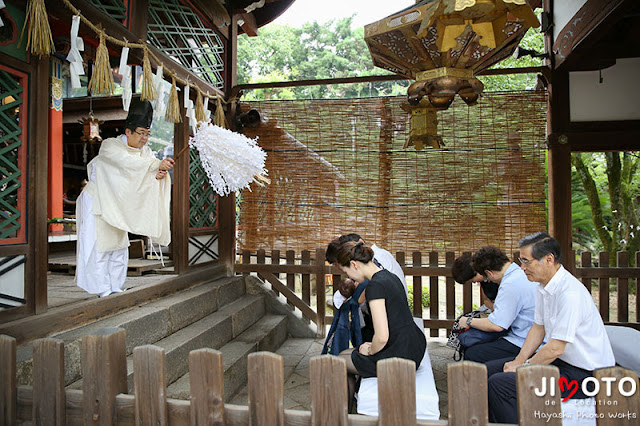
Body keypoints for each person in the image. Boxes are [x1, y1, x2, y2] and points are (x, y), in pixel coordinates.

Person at [486, 232, 615, 423]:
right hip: (562, 363)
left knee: (500, 385)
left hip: (586, 376)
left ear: (548, 259)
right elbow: (538, 328)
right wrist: (519, 360)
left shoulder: (570, 293)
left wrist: (524, 368)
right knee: (487, 370)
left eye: (526, 261)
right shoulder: (542, 287)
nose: (522, 267)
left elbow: (556, 347)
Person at [75, 100, 174, 298]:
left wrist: (158, 175)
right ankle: (101, 287)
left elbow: (143, 175)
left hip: (119, 204)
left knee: (119, 245)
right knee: (99, 244)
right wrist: (154, 166)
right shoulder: (110, 146)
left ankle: (115, 285)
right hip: (99, 201)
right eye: (141, 133)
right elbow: (128, 165)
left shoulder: (145, 153)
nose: (145, 139)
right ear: (128, 131)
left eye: (147, 134)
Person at [333, 240, 426, 412]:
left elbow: (382, 336)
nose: (350, 279)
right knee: (346, 354)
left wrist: (371, 350)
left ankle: (342, 415)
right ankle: (348, 408)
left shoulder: (374, 286)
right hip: (414, 344)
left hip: (400, 355)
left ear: (354, 264)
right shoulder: (388, 275)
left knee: (339, 362)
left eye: (346, 272)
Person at [456, 246, 536, 364]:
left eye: (486, 278)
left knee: (473, 353)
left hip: (525, 341)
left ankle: (480, 381)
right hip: (528, 334)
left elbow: (497, 325)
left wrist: (467, 321)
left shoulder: (510, 285)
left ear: (489, 273)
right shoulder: (518, 273)